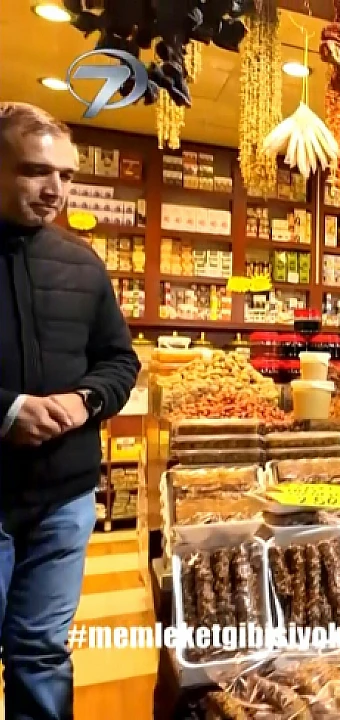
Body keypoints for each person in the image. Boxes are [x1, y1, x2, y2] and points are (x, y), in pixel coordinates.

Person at [0, 102, 141, 720]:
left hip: (65, 498)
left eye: (66, 174)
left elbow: (119, 361)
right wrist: (7, 412)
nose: (55, 189)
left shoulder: (83, 264)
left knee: (42, 653)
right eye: (36, 171)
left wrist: (86, 401)